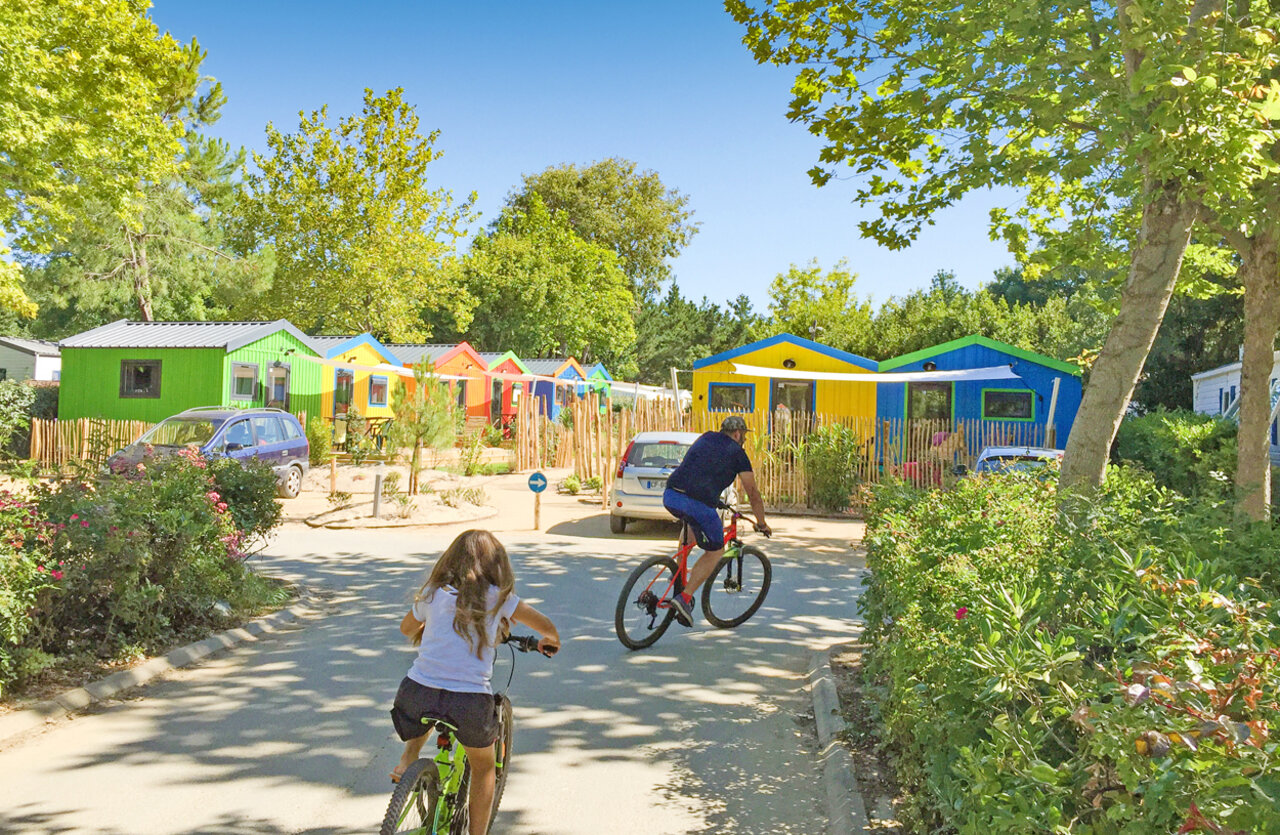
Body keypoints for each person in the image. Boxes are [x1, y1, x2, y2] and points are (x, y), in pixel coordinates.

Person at [389, 529, 560, 835]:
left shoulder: (433, 591)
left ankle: (407, 760)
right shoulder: (499, 598)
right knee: (483, 768)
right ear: (498, 566)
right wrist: (551, 639)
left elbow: (406, 629)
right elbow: (546, 626)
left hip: (414, 693)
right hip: (467, 703)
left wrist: (434, 621)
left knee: (426, 707)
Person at [662, 415, 772, 626]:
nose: (744, 441)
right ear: (738, 434)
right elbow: (753, 493)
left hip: (671, 495)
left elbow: (697, 467)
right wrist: (761, 522)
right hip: (697, 503)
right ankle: (684, 599)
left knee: (692, 525)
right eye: (743, 437)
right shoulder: (738, 454)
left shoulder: (706, 437)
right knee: (716, 551)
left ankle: (678, 575)